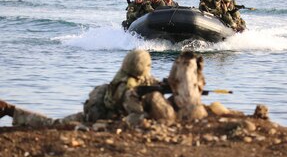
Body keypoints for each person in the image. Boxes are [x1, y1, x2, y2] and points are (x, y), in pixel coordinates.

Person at [0, 50, 176, 127]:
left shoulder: (125, 75)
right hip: (97, 120)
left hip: (93, 113)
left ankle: (11, 111)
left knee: (53, 123)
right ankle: (11, 111)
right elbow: (136, 115)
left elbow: (149, 82)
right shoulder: (128, 88)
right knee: (51, 125)